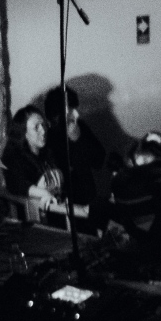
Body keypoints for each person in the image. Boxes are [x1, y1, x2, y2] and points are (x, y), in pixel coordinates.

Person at [43, 85, 109, 227]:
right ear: (57, 115)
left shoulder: (79, 127)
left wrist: (78, 139)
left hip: (88, 201)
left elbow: (99, 160)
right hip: (64, 211)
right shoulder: (46, 138)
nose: (77, 114)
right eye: (71, 109)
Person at [1, 105, 63, 216]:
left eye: (43, 125)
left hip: (58, 210)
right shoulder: (13, 157)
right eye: (36, 127)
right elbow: (16, 184)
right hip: (32, 218)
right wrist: (44, 193)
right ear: (24, 132)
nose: (43, 131)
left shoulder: (48, 152)